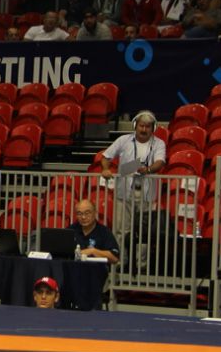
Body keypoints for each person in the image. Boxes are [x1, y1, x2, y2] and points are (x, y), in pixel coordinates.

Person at [99, 110, 164, 240]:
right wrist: (105, 169)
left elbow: (160, 162)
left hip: (146, 194)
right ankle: (120, 254)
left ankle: (142, 255)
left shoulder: (159, 143)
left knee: (145, 232)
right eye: (141, 126)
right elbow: (105, 157)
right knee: (120, 231)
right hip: (123, 192)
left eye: (147, 126)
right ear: (135, 125)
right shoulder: (123, 140)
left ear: (153, 128)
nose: (144, 129)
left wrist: (148, 169)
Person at [67, 199, 121, 264]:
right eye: (79, 213)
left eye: (87, 213)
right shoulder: (70, 230)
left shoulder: (104, 232)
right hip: (73, 268)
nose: (83, 217)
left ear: (95, 213)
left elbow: (115, 258)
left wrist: (93, 251)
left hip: (97, 269)